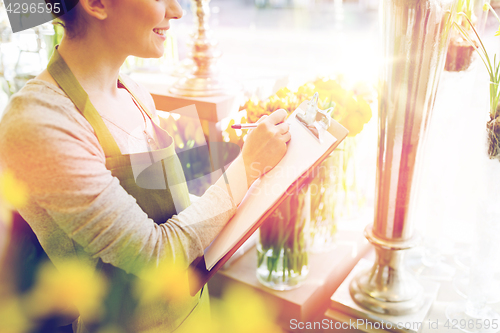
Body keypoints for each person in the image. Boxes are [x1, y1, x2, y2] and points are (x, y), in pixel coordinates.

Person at [0, 0, 291, 332]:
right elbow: (155, 257)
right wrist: (247, 166)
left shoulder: (135, 93)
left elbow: (171, 211)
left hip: (195, 314)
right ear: (96, 4)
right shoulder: (39, 123)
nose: (177, 11)